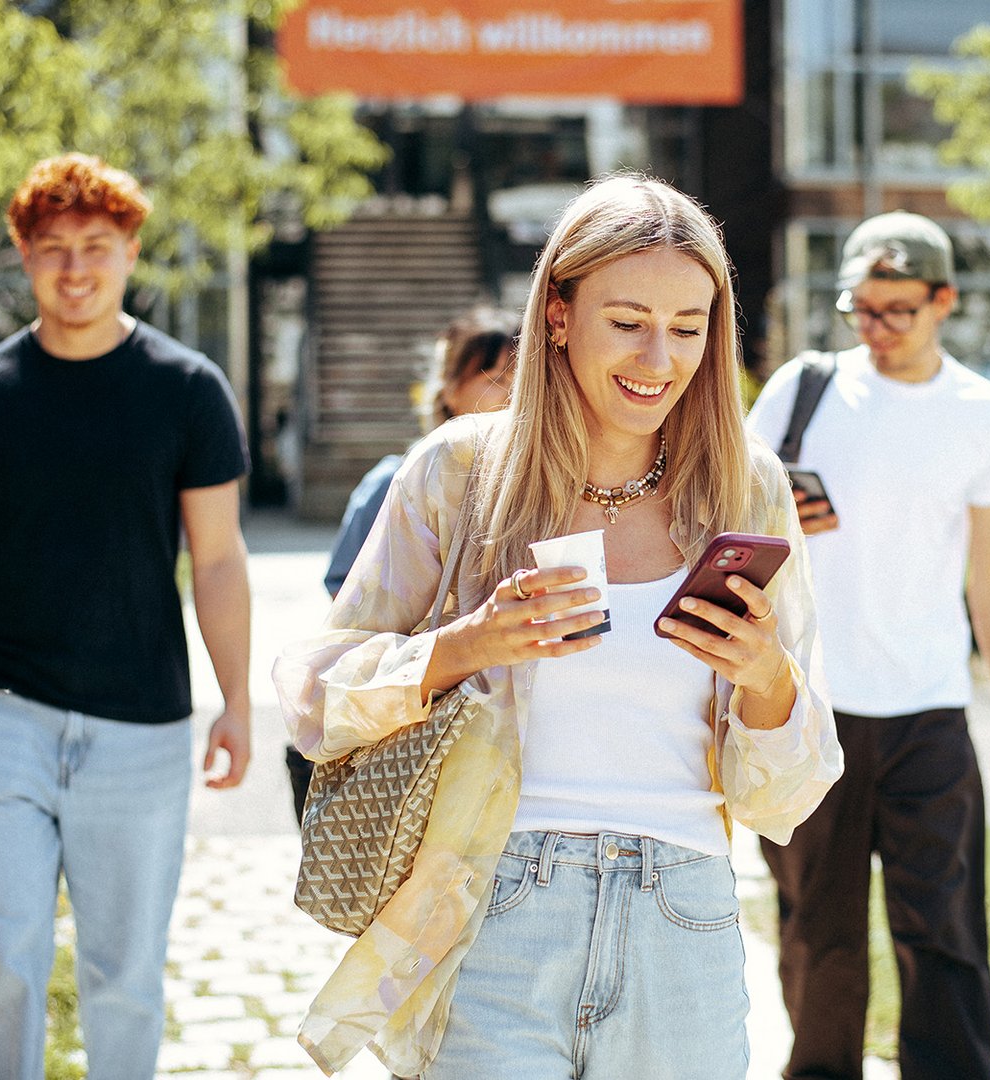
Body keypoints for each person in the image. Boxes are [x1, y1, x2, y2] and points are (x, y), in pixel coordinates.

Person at [274, 174, 843, 1080]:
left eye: (688, 328)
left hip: (683, 914)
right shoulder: (459, 473)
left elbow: (787, 796)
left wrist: (768, 677)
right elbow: (316, 701)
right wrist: (468, 645)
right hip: (495, 906)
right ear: (558, 315)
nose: (659, 358)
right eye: (628, 322)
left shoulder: (749, 488)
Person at [0, 153, 252, 1079]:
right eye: (52, 249)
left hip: (141, 728)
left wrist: (239, 700)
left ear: (132, 250)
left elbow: (217, 561)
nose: (76, 269)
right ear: (23, 254)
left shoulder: (187, 390)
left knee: (124, 976)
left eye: (97, 246)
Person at [744, 210, 990, 1080]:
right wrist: (773, 517)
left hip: (928, 716)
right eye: (860, 309)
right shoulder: (802, 391)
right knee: (818, 931)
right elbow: (718, 523)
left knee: (944, 930)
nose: (874, 329)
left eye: (896, 311)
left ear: (943, 300)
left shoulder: (987, 416)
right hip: (808, 711)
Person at [284, 309, 518, 822]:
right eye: (492, 377)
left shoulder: (534, 488)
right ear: (450, 388)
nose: (508, 393)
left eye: (520, 379)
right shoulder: (400, 479)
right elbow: (346, 595)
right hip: (414, 708)